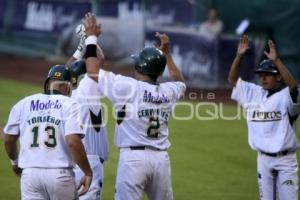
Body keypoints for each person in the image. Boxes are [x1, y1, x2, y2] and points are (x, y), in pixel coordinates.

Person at [82, 13, 186, 200]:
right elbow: (180, 81)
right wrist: (167, 54)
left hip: (133, 161)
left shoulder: (127, 87)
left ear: (139, 67)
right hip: (161, 161)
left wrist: (91, 37)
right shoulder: (168, 91)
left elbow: (92, 71)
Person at [3, 65, 93, 200]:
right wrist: (87, 172)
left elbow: (8, 139)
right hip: (60, 175)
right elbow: (73, 142)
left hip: (30, 175)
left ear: (47, 83)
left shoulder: (23, 103)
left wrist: (15, 162)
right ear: (68, 86)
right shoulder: (70, 104)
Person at [228, 35, 300, 200]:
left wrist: (277, 61)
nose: (263, 78)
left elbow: (294, 88)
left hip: (285, 161)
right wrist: (239, 55)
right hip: (263, 160)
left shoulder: (286, 97)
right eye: (261, 74)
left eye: (268, 74)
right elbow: (232, 80)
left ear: (278, 77)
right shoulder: (253, 92)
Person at [69, 59, 109, 200]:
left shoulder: (65, 99)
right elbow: (98, 62)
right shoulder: (87, 94)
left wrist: (78, 52)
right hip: (88, 162)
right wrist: (91, 40)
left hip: (70, 160)